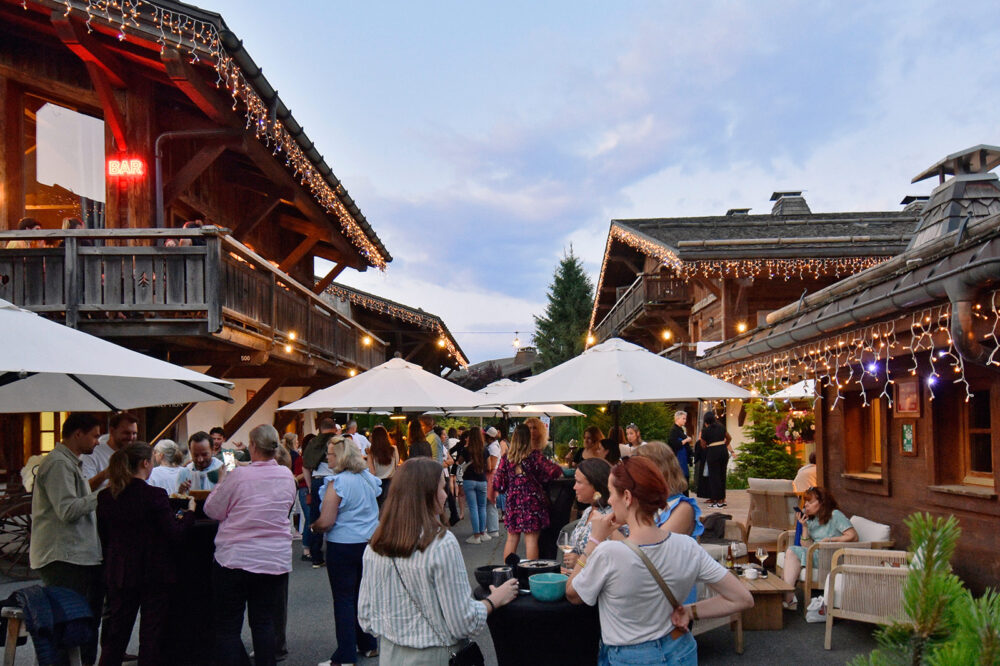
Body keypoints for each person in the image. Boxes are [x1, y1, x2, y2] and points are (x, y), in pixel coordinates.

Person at [565, 456, 753, 665]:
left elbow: (573, 594)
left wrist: (593, 542)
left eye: (612, 493)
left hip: (630, 655)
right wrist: (690, 611)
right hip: (680, 648)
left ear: (627, 497)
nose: (608, 500)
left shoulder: (608, 553)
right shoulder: (687, 546)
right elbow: (742, 598)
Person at [358, 458, 519, 663]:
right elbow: (462, 622)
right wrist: (494, 600)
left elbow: (366, 618)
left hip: (392, 655)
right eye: (442, 489)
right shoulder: (440, 543)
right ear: (426, 495)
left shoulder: (375, 546)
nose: (445, 495)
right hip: (435, 656)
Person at [97, 443, 196, 666]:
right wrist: (189, 514)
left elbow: (104, 536)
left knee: (117, 633)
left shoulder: (106, 497)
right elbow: (174, 533)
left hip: (120, 571)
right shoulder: (154, 496)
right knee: (151, 635)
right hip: (153, 572)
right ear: (145, 463)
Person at [204, 424, 295, 666]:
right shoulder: (287, 475)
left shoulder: (238, 476)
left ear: (252, 446)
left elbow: (213, 509)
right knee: (264, 623)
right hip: (273, 559)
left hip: (235, 558)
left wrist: (221, 482)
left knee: (228, 628)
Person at [30, 413, 105, 665]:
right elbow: (68, 510)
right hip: (64, 556)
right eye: (94, 435)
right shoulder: (59, 464)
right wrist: (102, 496)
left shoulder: (69, 462)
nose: (97, 441)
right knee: (68, 623)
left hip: (74, 555)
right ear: (78, 434)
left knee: (77, 622)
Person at [312, 436, 381, 665]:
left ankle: (345, 655)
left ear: (340, 456)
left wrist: (315, 526)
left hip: (342, 545)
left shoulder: (337, 482)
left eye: (330, 454)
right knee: (363, 597)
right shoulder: (367, 479)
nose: (327, 458)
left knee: (343, 600)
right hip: (368, 543)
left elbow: (327, 520)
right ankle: (369, 644)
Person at [492, 424, 563, 561]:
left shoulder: (507, 458)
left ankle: (508, 572)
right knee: (531, 540)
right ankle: (531, 574)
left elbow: (499, 484)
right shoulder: (535, 456)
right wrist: (541, 478)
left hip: (513, 501)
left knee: (512, 539)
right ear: (528, 438)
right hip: (532, 500)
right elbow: (555, 471)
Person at [781, 486, 857, 609]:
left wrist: (830, 540)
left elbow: (853, 536)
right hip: (816, 554)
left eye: (810, 502)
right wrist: (804, 526)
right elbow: (806, 546)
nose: (806, 505)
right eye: (806, 502)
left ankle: (787, 596)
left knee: (791, 551)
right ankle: (788, 596)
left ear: (822, 502)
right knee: (791, 551)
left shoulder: (835, 515)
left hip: (832, 556)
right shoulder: (812, 520)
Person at [634, 442, 703, 539]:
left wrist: (610, 530)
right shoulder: (642, 505)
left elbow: (656, 548)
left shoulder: (682, 508)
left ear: (659, 472)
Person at [562, 458, 613, 573]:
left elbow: (613, 563)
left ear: (596, 486)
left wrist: (580, 561)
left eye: (579, 482)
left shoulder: (611, 517)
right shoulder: (588, 511)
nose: (574, 487)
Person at [302, 418, 339, 568]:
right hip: (334, 481)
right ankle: (335, 554)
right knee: (336, 516)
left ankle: (316, 557)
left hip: (317, 481)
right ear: (334, 428)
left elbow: (305, 466)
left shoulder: (313, 443)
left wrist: (310, 486)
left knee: (315, 518)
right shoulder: (336, 442)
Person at [81, 412, 138, 491]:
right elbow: (84, 489)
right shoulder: (92, 453)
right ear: (112, 431)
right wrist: (105, 474)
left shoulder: (135, 454)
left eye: (134, 433)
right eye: (126, 433)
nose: (131, 437)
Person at [456, 427, 489, 544]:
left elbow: (459, 462)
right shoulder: (485, 450)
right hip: (482, 480)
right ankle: (482, 532)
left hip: (469, 480)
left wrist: (465, 447)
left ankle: (476, 536)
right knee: (482, 507)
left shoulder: (466, 450)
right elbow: (489, 467)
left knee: (473, 508)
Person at [698, 411, 734, 508]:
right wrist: (724, 445)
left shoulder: (706, 430)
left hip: (713, 452)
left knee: (714, 477)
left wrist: (708, 446)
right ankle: (722, 499)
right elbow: (729, 437)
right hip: (723, 451)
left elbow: (703, 444)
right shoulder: (721, 427)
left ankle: (717, 501)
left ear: (706, 420)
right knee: (722, 475)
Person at [368, 425, 399, 510]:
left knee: (378, 508)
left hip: (377, 483)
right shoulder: (394, 449)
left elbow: (372, 472)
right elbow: (396, 465)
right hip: (390, 482)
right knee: (389, 509)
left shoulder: (372, 451)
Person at [483, 426, 501, 539]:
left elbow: (492, 465)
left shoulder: (493, 448)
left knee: (490, 501)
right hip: (493, 475)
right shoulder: (494, 446)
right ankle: (492, 528)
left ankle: (493, 528)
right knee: (490, 502)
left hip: (491, 476)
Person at [667, 411, 693, 489]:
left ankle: (685, 497)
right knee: (680, 478)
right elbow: (674, 444)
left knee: (684, 477)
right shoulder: (674, 430)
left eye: (685, 419)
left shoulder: (680, 430)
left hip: (683, 458)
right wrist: (686, 440)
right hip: (678, 458)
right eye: (683, 419)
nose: (685, 420)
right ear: (677, 419)